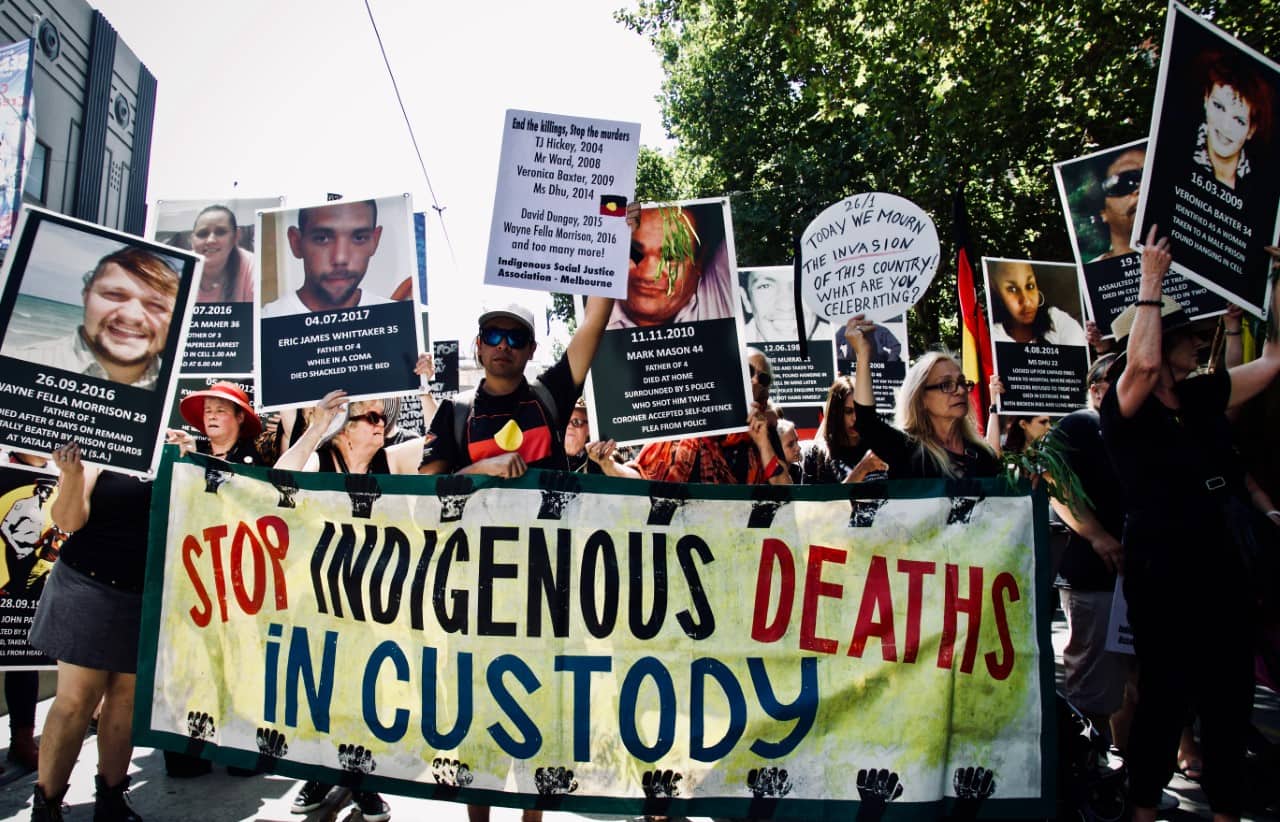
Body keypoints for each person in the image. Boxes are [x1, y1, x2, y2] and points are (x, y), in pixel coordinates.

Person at [1100, 226, 1280, 822]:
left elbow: (1274, 361)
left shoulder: (1202, 397)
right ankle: (1143, 809)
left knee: (1229, 700)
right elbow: (1144, 364)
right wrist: (1151, 276)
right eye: (1190, 333)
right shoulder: (1124, 406)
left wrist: (1276, 280)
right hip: (1164, 572)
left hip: (1222, 569)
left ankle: (1227, 809)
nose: (1200, 340)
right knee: (1165, 698)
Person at [28, 441, 151, 821]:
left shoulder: (178, 447)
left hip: (145, 594)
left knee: (126, 701)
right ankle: (46, 806)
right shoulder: (105, 445)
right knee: (76, 700)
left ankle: (112, 799)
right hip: (88, 586)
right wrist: (72, 474)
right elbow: (68, 522)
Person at [420, 298, 611, 483]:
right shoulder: (454, 412)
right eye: (492, 335)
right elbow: (428, 490)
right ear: (479, 346)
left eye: (516, 338)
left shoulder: (551, 394)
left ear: (531, 349)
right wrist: (483, 469)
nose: (503, 345)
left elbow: (595, 320)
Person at [844, 316, 1001, 479]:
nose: (960, 391)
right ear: (921, 400)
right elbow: (866, 422)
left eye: (962, 382)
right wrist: (863, 354)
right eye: (946, 384)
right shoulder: (906, 450)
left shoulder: (983, 456)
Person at [15, 247, 180, 390]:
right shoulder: (20, 365)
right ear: (86, 296)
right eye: (114, 294)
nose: (130, 316)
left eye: (156, 305)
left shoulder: (177, 392)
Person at [628, 348, 792, 485]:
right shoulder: (687, 419)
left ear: (764, 388)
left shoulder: (766, 429)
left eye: (763, 378)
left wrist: (763, 443)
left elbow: (785, 488)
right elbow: (643, 478)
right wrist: (612, 465)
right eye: (748, 370)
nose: (755, 380)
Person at [608, 203, 733, 328]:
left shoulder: (721, 290)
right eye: (632, 252)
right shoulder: (596, 301)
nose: (648, 274)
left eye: (671, 257)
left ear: (699, 261)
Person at [262, 200, 392, 317]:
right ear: (296, 243)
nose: (340, 259)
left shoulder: (396, 316)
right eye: (322, 238)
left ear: (375, 241)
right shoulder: (265, 323)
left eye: (359, 238)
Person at [1191, 50, 1273, 192]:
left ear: (1251, 130)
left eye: (1239, 120)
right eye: (1219, 107)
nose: (1226, 126)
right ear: (1206, 99)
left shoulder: (1260, 188)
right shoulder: (1176, 153)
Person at [800, 376, 888, 484]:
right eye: (848, 411)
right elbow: (812, 496)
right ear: (835, 412)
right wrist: (861, 470)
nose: (855, 418)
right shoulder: (816, 455)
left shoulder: (880, 447)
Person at [988, 261, 1087, 346]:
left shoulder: (1057, 320)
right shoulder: (994, 336)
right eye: (1012, 289)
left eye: (1030, 286)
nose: (1027, 302)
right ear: (997, 291)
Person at [171, 382, 268, 465]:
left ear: (240, 417)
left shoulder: (258, 449)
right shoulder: (195, 449)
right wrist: (189, 457)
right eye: (208, 411)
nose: (212, 416)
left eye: (220, 411)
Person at [739, 267, 831, 341]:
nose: (786, 306)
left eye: (802, 284)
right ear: (746, 300)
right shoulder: (734, 349)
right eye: (765, 286)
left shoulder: (836, 341)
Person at [190, 205, 254, 303]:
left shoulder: (254, 266)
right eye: (202, 233)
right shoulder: (179, 267)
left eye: (220, 232)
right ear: (192, 241)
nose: (210, 240)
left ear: (236, 237)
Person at [1091, 147, 1145, 262]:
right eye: (1125, 182)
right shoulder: (1091, 271)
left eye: (1150, 179)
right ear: (1103, 212)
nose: (1142, 189)